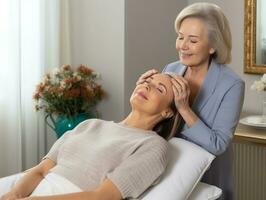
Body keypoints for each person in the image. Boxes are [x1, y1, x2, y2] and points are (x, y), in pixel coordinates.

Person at [0, 73, 180, 200]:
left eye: (160, 88)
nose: (147, 85)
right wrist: (12, 195)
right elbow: (40, 170)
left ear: (167, 112)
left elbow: (102, 197)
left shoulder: (153, 146)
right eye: (147, 80)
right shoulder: (90, 124)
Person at [137, 3, 245, 200]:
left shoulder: (232, 84)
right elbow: (158, 119)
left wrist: (184, 108)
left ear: (213, 45)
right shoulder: (171, 68)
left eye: (192, 40)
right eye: (180, 37)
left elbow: (218, 144)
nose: (182, 46)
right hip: (169, 170)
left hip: (208, 177)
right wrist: (142, 93)